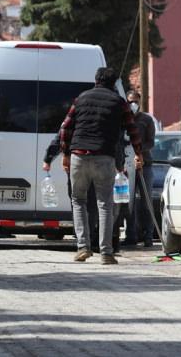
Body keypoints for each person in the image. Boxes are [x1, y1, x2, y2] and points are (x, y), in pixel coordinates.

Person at [60, 67, 142, 265]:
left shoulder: (81, 98)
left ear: (96, 80)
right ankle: (106, 252)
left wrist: (65, 154)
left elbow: (65, 128)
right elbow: (132, 129)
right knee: (105, 204)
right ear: (114, 83)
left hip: (79, 155)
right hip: (104, 157)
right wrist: (139, 153)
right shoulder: (119, 103)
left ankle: (83, 247)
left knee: (78, 201)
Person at [42, 135, 99, 250]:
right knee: (93, 203)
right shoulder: (103, 117)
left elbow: (61, 137)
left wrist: (48, 159)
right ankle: (93, 240)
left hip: (77, 161)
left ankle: (83, 243)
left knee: (78, 202)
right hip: (98, 161)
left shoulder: (74, 117)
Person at [120, 90, 156, 248]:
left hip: (144, 165)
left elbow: (151, 141)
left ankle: (148, 235)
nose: (133, 104)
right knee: (129, 203)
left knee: (146, 203)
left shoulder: (147, 120)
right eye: (130, 101)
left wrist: (139, 152)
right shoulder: (123, 119)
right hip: (127, 167)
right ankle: (131, 235)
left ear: (140, 102)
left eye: (135, 101)